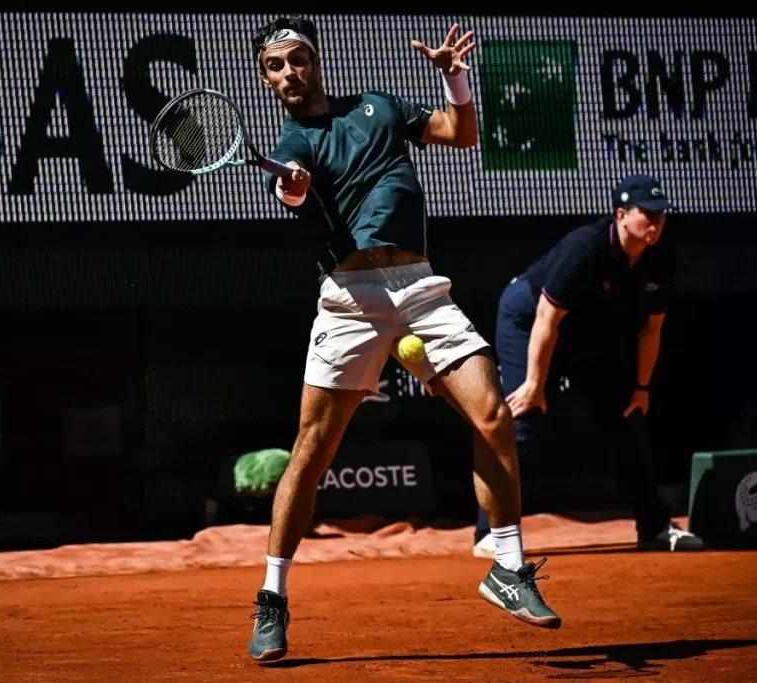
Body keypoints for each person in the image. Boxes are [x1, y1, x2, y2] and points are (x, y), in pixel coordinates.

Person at [246, 16, 561, 663]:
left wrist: (455, 82)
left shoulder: (379, 108)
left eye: (296, 59)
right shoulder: (292, 140)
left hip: (419, 288)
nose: (289, 73)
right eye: (275, 66)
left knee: (493, 415)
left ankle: (507, 566)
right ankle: (272, 598)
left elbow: (460, 134)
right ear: (265, 79)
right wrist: (293, 188)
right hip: (349, 301)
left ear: (315, 61)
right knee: (312, 450)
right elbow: (292, 186)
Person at [472, 174, 706, 558]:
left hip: (586, 330)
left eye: (661, 215)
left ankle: (655, 527)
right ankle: (492, 532)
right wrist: (534, 384)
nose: (656, 222)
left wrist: (641, 389)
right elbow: (546, 317)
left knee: (627, 416)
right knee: (521, 418)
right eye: (647, 214)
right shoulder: (585, 247)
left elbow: (651, 331)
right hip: (528, 320)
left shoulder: (661, 256)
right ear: (621, 215)